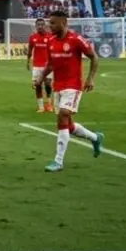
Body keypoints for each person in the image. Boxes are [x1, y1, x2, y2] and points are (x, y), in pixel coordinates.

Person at [38, 10, 103, 172]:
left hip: (73, 86)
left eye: (53, 22)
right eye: (49, 22)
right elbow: (51, 64)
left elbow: (94, 57)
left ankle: (58, 161)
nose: (49, 25)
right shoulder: (51, 41)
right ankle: (95, 138)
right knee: (68, 125)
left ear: (64, 23)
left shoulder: (76, 40)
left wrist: (90, 79)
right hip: (57, 86)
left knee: (63, 115)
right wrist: (40, 78)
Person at [26, 19, 53, 112]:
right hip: (37, 65)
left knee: (48, 83)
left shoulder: (50, 36)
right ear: (36, 26)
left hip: (48, 65)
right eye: (38, 25)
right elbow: (29, 50)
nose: (40, 26)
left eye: (42, 24)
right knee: (37, 85)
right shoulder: (33, 37)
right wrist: (27, 62)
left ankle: (49, 103)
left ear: (45, 25)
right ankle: (41, 106)